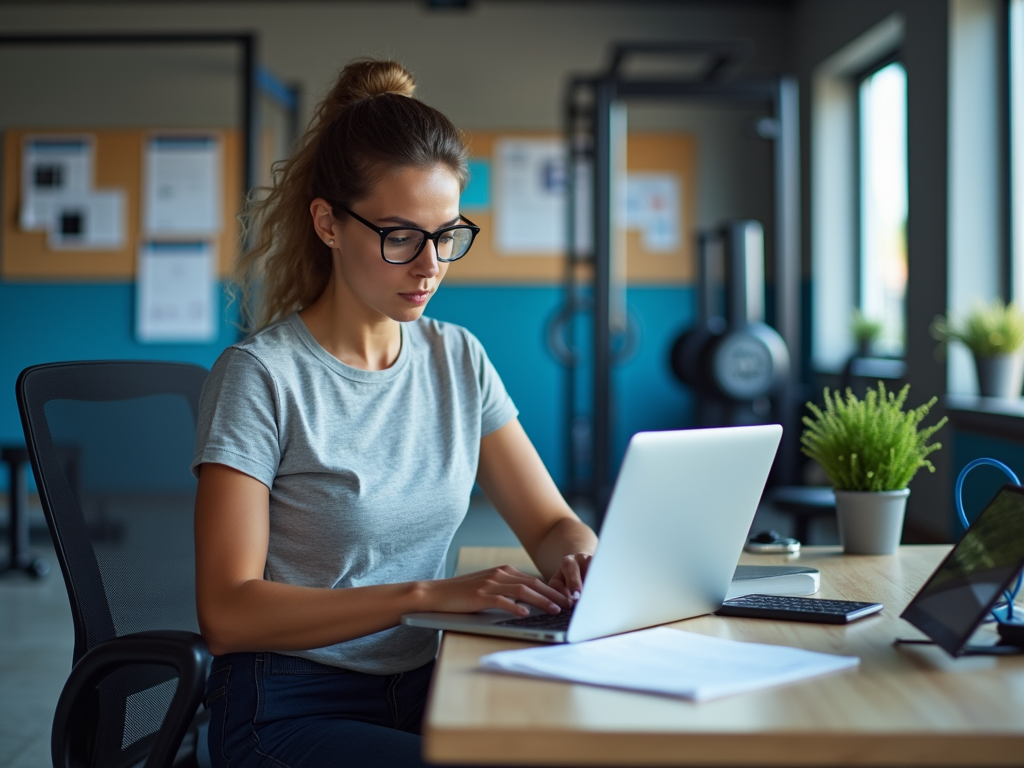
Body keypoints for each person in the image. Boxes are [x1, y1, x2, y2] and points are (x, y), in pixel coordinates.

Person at [192, 58, 598, 768]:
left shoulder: (457, 358)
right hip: (282, 706)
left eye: (446, 235)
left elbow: (548, 521)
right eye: (400, 235)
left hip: (422, 687)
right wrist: (429, 594)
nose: (430, 264)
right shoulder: (260, 376)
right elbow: (228, 614)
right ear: (328, 223)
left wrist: (587, 568)